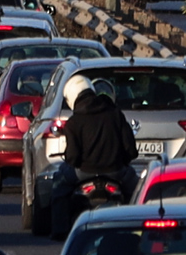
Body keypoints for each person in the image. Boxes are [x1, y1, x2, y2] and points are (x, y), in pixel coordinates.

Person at [50, 74, 138, 239]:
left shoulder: (74, 122)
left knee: (58, 188)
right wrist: (121, 162)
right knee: (138, 191)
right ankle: (138, 226)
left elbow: (73, 157)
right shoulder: (115, 114)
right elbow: (131, 150)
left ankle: (59, 230)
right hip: (116, 172)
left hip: (83, 173)